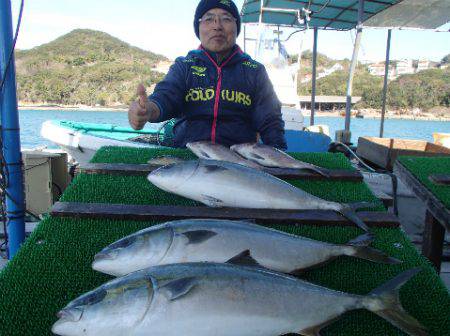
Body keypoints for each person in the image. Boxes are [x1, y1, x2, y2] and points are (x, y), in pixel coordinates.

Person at [128, 0, 287, 150]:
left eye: (226, 19)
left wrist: (280, 157)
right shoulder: (184, 66)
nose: (217, 26)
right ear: (199, 28)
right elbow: (166, 97)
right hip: (187, 156)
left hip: (239, 163)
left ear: (236, 27)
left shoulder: (254, 70)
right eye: (209, 19)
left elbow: (270, 122)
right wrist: (148, 110)